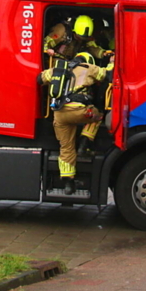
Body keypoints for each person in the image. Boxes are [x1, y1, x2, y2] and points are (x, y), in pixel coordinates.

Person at [39, 52, 108, 195]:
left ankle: (68, 181)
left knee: (66, 147)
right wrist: (112, 61)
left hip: (60, 115)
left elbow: (39, 79)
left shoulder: (58, 69)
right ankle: (85, 140)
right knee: (98, 116)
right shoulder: (89, 67)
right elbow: (107, 75)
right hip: (81, 111)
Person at [44, 15, 109, 62]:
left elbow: (92, 48)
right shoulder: (61, 31)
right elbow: (45, 43)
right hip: (52, 62)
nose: (81, 40)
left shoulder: (86, 38)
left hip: (70, 63)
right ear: (74, 30)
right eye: (79, 37)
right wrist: (47, 50)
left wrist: (103, 53)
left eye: (83, 38)